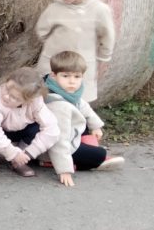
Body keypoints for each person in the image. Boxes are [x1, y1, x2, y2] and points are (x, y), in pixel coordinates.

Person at [35, 0, 115, 103]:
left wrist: (103, 57)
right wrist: (53, 46)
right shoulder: (55, 8)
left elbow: (107, 36)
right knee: (47, 97)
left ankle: (78, 123)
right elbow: (42, 30)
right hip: (53, 62)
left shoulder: (99, 10)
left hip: (81, 63)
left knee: (78, 99)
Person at [42, 50, 125, 186]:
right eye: (66, 76)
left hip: (69, 134)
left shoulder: (66, 92)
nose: (72, 81)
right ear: (53, 75)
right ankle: (51, 161)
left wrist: (95, 125)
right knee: (99, 154)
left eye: (77, 77)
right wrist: (64, 169)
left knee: (84, 121)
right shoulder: (57, 105)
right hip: (50, 148)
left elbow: (83, 107)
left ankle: (84, 149)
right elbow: (59, 139)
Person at [0, 67, 60, 176]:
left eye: (14, 97)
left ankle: (20, 159)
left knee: (35, 128)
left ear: (28, 101)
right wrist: (12, 153)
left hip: (18, 131)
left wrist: (29, 153)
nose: (6, 96)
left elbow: (52, 129)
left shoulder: (35, 102)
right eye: (6, 89)